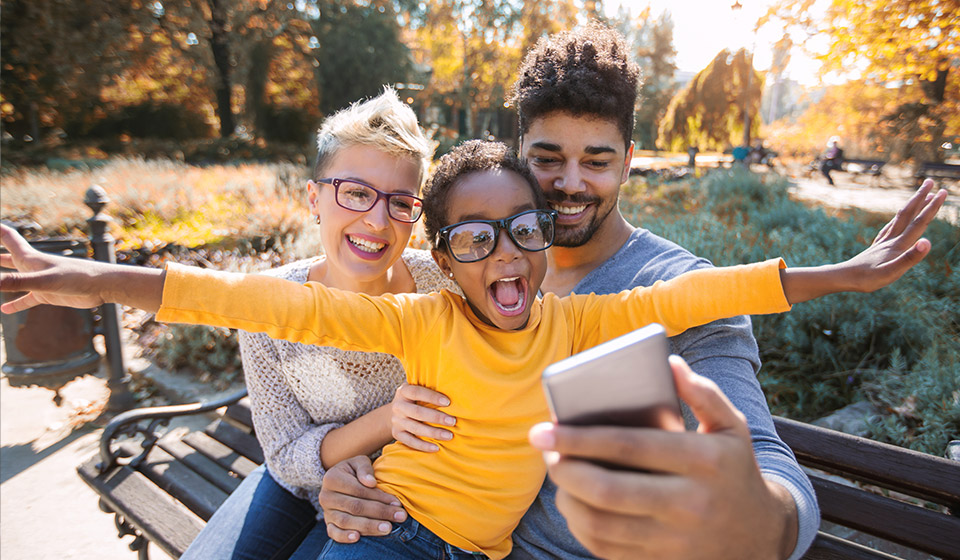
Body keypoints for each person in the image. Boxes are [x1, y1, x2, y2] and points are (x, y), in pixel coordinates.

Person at [0, 140, 945, 559]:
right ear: (442, 262)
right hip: (391, 533)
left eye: (523, 229)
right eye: (473, 237)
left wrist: (845, 272)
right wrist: (78, 276)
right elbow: (228, 295)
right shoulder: (418, 320)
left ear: (545, 238)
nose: (506, 253)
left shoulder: (578, 323)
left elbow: (711, 289)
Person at [314, 25, 937, 560]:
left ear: (630, 160)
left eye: (598, 160)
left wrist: (756, 522)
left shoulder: (672, 292)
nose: (571, 183)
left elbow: (767, 463)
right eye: (548, 158)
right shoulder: (459, 268)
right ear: (517, 153)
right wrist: (349, 474)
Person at [178, 88, 459, 559]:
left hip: (392, 492)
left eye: (399, 202)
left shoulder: (443, 287)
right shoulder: (270, 303)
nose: (376, 221)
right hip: (297, 488)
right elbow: (285, 456)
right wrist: (388, 419)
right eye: (355, 193)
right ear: (314, 198)